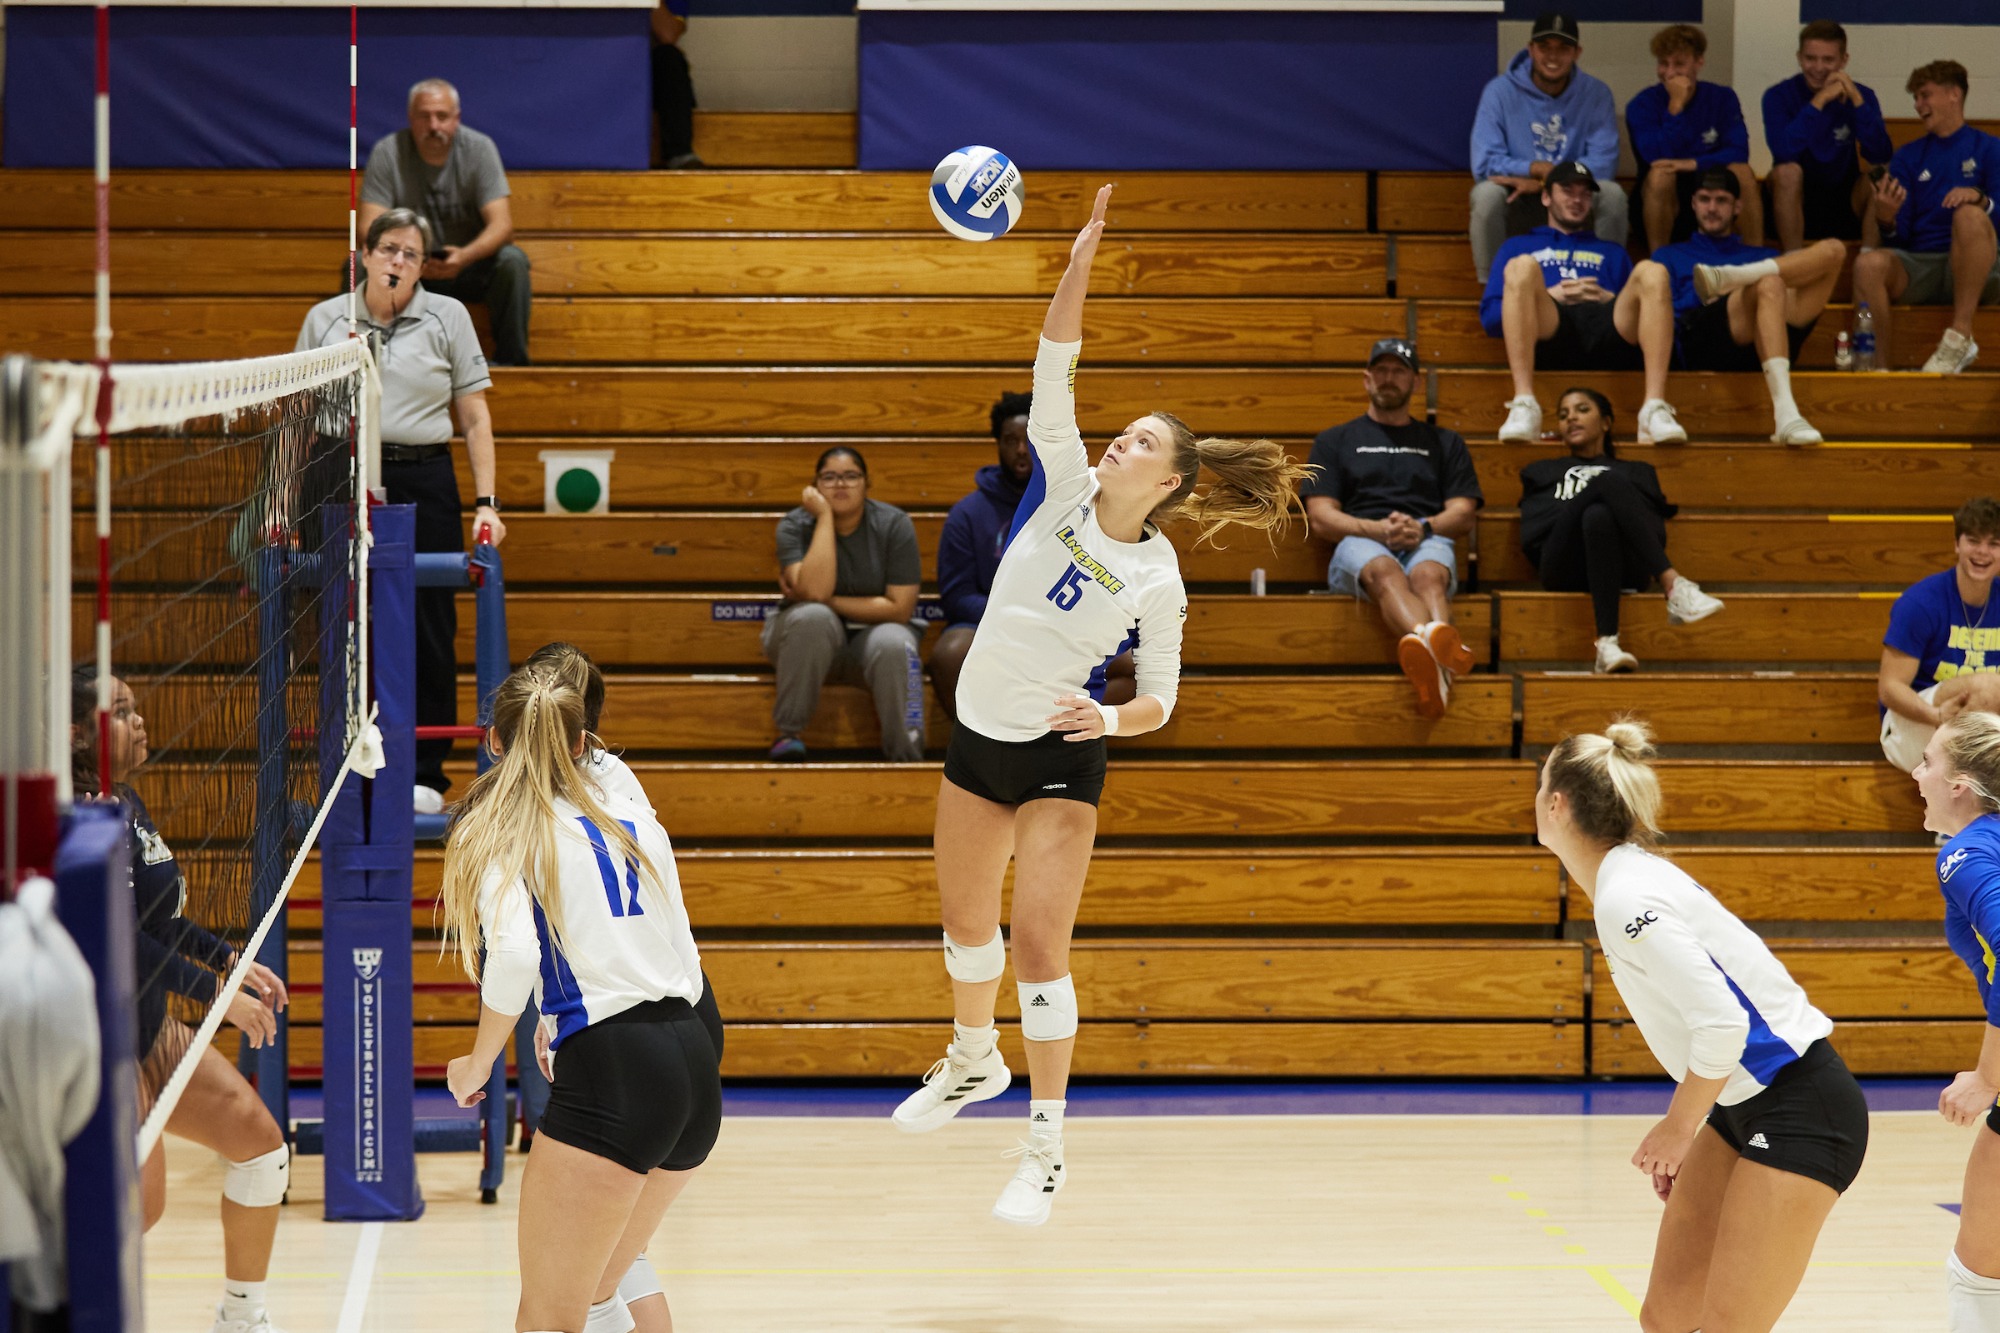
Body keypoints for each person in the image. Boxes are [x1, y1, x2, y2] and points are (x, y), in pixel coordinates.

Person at [888, 185, 1311, 1227]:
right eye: (1118, 434)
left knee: (1037, 949)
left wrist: (1108, 722)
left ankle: (1043, 1145)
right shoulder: (1065, 480)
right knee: (961, 930)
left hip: (1057, 757)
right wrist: (1078, 257)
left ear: (1167, 481)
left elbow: (1161, 697)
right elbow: (1053, 364)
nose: (1116, 444)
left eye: (1136, 444)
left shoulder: (1159, 575)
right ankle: (970, 1057)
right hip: (974, 738)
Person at [1535, 721, 1868, 1333]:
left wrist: (1677, 1128)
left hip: (1803, 1107)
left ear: (1556, 805)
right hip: (1740, 1105)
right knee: (1667, 1319)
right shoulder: (1629, 875)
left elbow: (1722, 1023)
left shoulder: (1626, 897)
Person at [439, 664, 717, 1333]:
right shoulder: (629, 810)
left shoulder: (501, 828)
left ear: (493, 743)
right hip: (692, 1057)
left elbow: (512, 956)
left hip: (615, 1070)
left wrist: (478, 1064)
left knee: (548, 1318)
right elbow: (681, 944)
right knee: (597, 1294)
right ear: (581, 741)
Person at [70, 670, 293, 1333]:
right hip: (102, 1033)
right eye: (121, 712)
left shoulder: (125, 799)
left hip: (144, 1022)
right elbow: (120, 938)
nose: (139, 721)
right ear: (78, 733)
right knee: (135, 1208)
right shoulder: (81, 815)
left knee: (259, 1146)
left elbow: (156, 920)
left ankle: (242, 1316)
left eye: (136, 708)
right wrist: (215, 996)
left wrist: (227, 957)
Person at [519, 642, 721, 1333]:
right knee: (614, 1268)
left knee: (562, 1299)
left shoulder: (524, 808)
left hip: (623, 1035)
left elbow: (520, 949)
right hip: (690, 1017)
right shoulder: (620, 785)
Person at [298, 208, 506, 811]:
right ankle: (346, 764)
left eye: (411, 255)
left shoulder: (449, 318)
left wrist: (487, 503)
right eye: (389, 249)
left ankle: (424, 772)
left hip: (424, 475)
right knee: (342, 619)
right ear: (364, 254)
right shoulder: (326, 319)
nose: (398, 262)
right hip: (339, 473)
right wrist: (281, 506)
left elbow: (474, 416)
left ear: (422, 267)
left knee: (429, 625)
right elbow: (298, 423)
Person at [1302, 338, 1482, 718]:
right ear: (1367, 380)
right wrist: (1378, 530)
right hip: (1361, 540)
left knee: (1430, 575)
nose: (1389, 379)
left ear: (1416, 383)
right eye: (1381, 371)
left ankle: (1429, 659)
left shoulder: (1444, 442)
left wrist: (1422, 527)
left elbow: (1463, 512)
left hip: (1426, 535)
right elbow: (1321, 516)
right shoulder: (1335, 440)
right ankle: (1438, 651)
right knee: (1385, 570)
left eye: (1399, 371)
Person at [1518, 389, 1722, 675]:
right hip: (1563, 563)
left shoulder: (1637, 471)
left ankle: (1607, 644)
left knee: (1599, 515)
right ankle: (1673, 585)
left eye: (1582, 410)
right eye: (1563, 415)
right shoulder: (1543, 471)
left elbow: (1654, 532)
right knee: (1607, 482)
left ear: (1606, 422)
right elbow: (1533, 536)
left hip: (1625, 567)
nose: (1571, 418)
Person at [1485, 162, 1687, 448]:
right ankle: (1524, 403)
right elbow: (1491, 319)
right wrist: (1550, 295)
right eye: (1567, 191)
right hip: (1550, 328)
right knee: (1521, 267)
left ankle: (1654, 406)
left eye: (1584, 194)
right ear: (1546, 197)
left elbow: (1649, 320)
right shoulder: (1517, 246)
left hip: (1606, 329)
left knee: (1653, 271)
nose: (1577, 200)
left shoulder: (1612, 252)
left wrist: (1611, 299)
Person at [1913, 713, 2000, 1332]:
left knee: (1980, 1274)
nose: (1917, 775)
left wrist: (1986, 1076)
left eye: (1927, 762)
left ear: (1960, 785)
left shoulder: (1965, 854)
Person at [1653, 168, 1845, 446]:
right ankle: (1786, 413)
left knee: (1835, 250)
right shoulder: (1669, 255)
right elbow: (1663, 315)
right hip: (1705, 339)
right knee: (1768, 283)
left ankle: (1733, 276)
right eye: (1705, 199)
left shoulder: (1764, 255)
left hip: (1764, 333)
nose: (1712, 208)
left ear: (1737, 207)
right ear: (1693, 204)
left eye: (1721, 200)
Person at [761, 446, 925, 763]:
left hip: (871, 644)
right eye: (830, 477)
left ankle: (907, 756)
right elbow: (814, 591)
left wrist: (826, 600)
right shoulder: (795, 525)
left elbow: (900, 609)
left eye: (851, 476)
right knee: (813, 617)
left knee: (897, 641)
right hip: (804, 643)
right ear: (815, 486)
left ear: (866, 483)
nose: (840, 485)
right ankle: (789, 735)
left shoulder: (894, 524)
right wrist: (823, 517)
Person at [359, 78, 532, 366]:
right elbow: (368, 228)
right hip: (408, 269)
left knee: (512, 261)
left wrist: (464, 257)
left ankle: (513, 365)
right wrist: (409, 258)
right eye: (424, 116)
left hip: (467, 268)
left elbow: (503, 227)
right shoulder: (388, 152)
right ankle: (362, 362)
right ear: (411, 118)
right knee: (356, 262)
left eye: (442, 116)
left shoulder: (479, 149)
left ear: (457, 119)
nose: (434, 125)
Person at [1852, 61, 2000, 374]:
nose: (1918, 106)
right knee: (1868, 265)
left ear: (1954, 95)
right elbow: (1901, 237)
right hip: (1923, 264)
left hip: (1979, 267)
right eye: (1916, 99)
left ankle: (1959, 337)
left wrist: (1981, 200)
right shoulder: (1908, 156)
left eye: (1925, 95)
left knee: (1968, 216)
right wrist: (1887, 220)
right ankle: (1878, 373)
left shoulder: (1989, 148)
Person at [1468, 10, 1628, 284]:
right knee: (1485, 196)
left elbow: (1604, 163)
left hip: (1571, 194)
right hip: (1519, 196)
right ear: (1530, 49)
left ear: (1577, 52)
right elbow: (1484, 163)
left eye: (1563, 48)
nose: (1553, 57)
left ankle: (1606, 285)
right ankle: (1492, 288)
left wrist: (1548, 181)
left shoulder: (1596, 93)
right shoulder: (1499, 91)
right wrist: (1532, 168)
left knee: (1612, 195)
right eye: (1545, 47)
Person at [932, 392, 1033, 725]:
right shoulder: (968, 514)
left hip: (1058, 621)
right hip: (986, 623)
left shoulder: (1069, 506)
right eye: (1011, 440)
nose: (1021, 449)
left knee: (1131, 666)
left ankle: (1054, 741)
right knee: (950, 654)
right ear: (997, 445)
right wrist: (1011, 616)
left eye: (1029, 440)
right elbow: (958, 596)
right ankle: (975, 747)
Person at [1878, 497, 2000, 774]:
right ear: (1957, 544)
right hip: (1915, 725)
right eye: (1973, 540)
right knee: (1990, 688)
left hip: (1982, 730)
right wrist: (1936, 716)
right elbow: (1890, 688)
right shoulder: (1922, 603)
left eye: (1994, 544)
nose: (1983, 552)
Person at [1762, 20, 1893, 253]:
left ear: (1844, 61)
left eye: (1828, 60)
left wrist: (1857, 101)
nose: (1818, 67)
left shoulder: (1862, 95)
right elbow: (1783, 151)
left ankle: (1867, 262)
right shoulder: (1777, 96)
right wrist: (1819, 101)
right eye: (1811, 58)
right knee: (1787, 172)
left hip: (1845, 198)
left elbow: (1880, 153)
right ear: (1800, 58)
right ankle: (1795, 263)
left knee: (1882, 174)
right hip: (1794, 199)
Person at [1626, 24, 1761, 251]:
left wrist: (1693, 164)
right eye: (1663, 63)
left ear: (1699, 62)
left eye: (1679, 64)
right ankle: (1660, 262)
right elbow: (1655, 155)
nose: (1669, 73)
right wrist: (1675, 106)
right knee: (1661, 175)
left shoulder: (1722, 98)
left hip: (1713, 194)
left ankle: (1757, 262)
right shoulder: (1642, 104)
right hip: (1662, 203)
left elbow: (1739, 151)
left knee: (1743, 173)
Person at [652, 2, 701, 169]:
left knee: (669, 57)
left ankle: (680, 153)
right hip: (595, 58)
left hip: (644, 71)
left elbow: (669, 34)